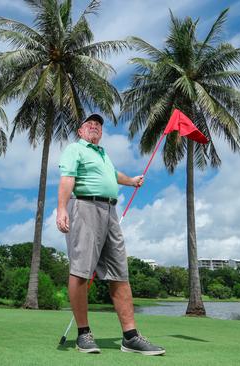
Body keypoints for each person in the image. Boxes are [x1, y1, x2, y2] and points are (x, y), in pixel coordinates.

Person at [56, 113, 165, 355]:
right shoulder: (76, 149)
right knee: (81, 270)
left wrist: (132, 181)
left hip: (110, 211)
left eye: (98, 125)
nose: (94, 127)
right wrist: (62, 208)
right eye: (89, 124)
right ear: (80, 131)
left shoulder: (103, 155)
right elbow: (67, 179)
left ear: (102, 133)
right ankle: (83, 334)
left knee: (119, 272)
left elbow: (114, 176)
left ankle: (130, 336)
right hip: (84, 206)